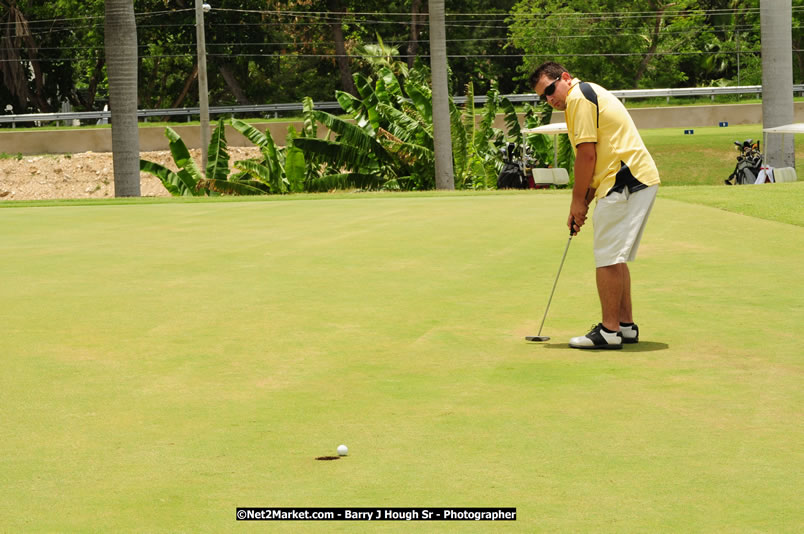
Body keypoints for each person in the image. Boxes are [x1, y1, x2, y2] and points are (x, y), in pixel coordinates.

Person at [529, 62, 660, 350]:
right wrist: (583, 203)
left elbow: (586, 156)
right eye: (544, 97)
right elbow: (596, 158)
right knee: (616, 256)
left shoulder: (578, 97)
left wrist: (577, 201)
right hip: (630, 179)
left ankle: (609, 331)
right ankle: (625, 326)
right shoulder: (586, 95)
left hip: (626, 180)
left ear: (565, 77)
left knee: (608, 258)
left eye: (551, 89)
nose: (550, 99)